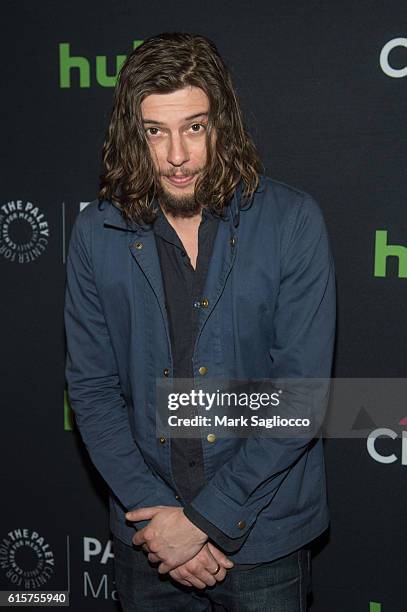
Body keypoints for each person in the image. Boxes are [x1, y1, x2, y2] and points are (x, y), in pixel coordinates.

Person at [64, 32, 336, 611]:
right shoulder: (96, 234)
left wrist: (203, 519)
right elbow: (90, 389)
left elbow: (300, 396)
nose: (177, 155)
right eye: (155, 132)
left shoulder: (292, 223)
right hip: (149, 535)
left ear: (223, 125)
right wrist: (164, 525)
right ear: (131, 136)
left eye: (194, 127)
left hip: (265, 536)